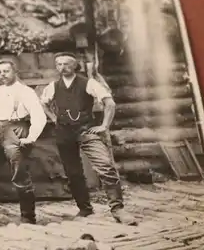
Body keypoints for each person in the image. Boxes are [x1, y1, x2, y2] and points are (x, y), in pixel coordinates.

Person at [40, 52, 137, 226]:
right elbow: (43, 103)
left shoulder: (88, 83)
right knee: (73, 173)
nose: (62, 67)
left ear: (75, 65)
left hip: (86, 131)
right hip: (64, 134)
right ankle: (84, 209)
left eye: (66, 64)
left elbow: (110, 103)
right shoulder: (53, 86)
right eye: (59, 64)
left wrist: (104, 126)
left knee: (105, 166)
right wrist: (54, 119)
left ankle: (118, 209)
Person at [0, 59, 47, 224]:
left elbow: (39, 116)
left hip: (16, 131)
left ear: (15, 71)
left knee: (19, 174)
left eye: (6, 71)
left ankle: (28, 217)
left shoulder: (25, 91)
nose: (2, 75)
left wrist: (30, 137)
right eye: (0, 72)